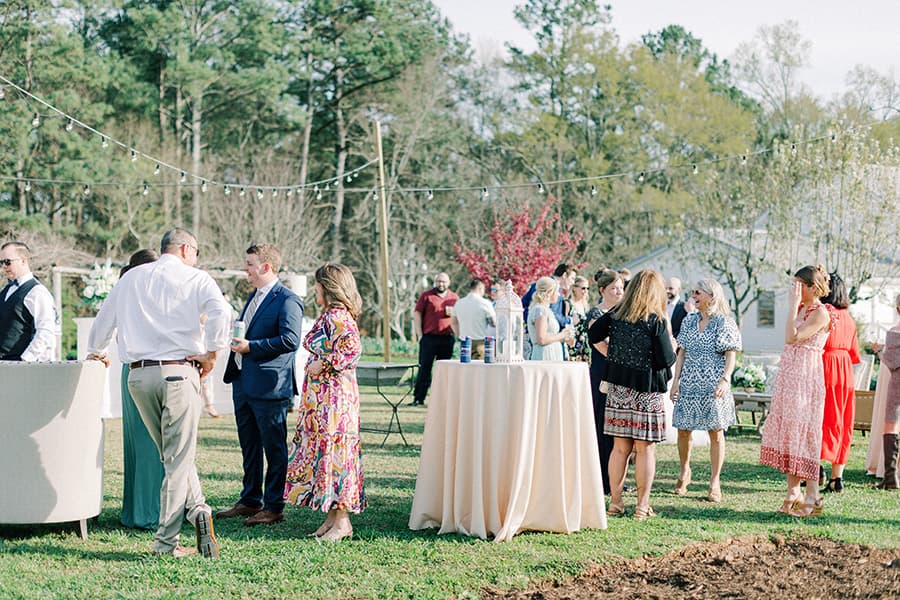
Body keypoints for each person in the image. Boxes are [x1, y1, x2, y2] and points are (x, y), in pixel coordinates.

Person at [87, 228, 230, 558]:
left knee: (170, 454)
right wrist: (212, 353)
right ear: (184, 249)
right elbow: (222, 312)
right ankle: (166, 544)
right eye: (195, 251)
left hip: (138, 377)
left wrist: (97, 350)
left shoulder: (131, 278)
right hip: (179, 373)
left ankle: (198, 511)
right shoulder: (196, 278)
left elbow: (103, 319)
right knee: (177, 459)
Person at [219, 244, 304, 526]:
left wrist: (251, 347)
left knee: (274, 448)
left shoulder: (287, 300)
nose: (246, 269)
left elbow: (290, 341)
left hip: (270, 386)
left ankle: (274, 506)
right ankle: (250, 500)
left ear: (266, 267)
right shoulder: (253, 297)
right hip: (243, 382)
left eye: (249, 264)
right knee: (249, 446)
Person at [284, 263, 366, 541]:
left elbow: (353, 350)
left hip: (334, 400)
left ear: (327, 287)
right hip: (325, 399)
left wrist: (326, 363)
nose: (314, 290)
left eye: (317, 285)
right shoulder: (332, 315)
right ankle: (331, 518)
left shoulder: (339, 317)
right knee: (327, 451)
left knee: (336, 452)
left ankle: (343, 522)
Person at [588, 269, 675, 520]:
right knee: (645, 450)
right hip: (646, 392)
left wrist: (614, 355)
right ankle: (642, 506)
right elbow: (666, 359)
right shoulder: (656, 320)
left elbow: (593, 334)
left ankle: (615, 503)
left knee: (619, 448)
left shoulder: (616, 315)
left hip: (618, 389)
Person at [759, 265, 832, 517]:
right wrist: (794, 307)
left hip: (806, 377)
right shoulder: (802, 308)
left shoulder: (821, 313)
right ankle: (793, 490)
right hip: (790, 376)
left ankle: (813, 495)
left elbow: (792, 337)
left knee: (805, 432)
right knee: (791, 431)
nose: (794, 289)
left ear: (812, 287)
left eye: (799, 284)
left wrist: (791, 306)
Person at [670, 279, 742, 503]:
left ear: (712, 295)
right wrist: (675, 381)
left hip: (713, 386)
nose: (693, 295)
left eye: (698, 292)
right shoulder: (689, 321)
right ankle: (684, 471)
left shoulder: (724, 322)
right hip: (689, 382)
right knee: (683, 430)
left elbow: (731, 354)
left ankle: (715, 481)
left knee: (716, 433)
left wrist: (725, 380)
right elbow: (681, 352)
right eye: (693, 292)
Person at [117, 249, 165, 530]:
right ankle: (150, 512)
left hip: (130, 370)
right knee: (150, 443)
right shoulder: (145, 298)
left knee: (139, 442)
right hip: (148, 368)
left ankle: (136, 510)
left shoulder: (125, 294)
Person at [819, 272, 861, 494]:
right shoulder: (849, 318)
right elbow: (855, 354)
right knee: (843, 422)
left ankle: (815, 468)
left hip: (824, 366)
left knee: (818, 418)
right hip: (845, 373)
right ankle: (837, 478)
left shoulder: (823, 313)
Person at [585, 269, 625, 495]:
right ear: (602, 291)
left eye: (620, 288)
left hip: (621, 375)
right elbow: (601, 346)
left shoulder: (623, 313)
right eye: (614, 289)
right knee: (602, 425)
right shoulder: (595, 314)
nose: (619, 292)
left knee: (618, 427)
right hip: (602, 374)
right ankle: (601, 478)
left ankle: (616, 478)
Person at [0, 241, 58, 361]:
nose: (4, 267)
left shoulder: (37, 292)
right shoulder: (6, 290)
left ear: (23, 260)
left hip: (18, 366)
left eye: (7, 262)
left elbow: (45, 330)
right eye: (1, 263)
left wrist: (26, 359)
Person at [410, 273, 458, 406]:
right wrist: (420, 335)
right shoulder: (426, 296)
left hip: (447, 339)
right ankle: (419, 398)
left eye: (443, 282)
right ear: (435, 282)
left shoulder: (454, 298)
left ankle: (442, 400)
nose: (441, 284)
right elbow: (417, 314)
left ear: (449, 282)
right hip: (429, 339)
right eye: (438, 281)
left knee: (444, 370)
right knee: (425, 368)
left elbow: (458, 318)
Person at [872, 292, 900, 490]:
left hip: (897, 384)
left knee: (891, 426)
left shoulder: (894, 332)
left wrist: (878, 350)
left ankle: (890, 478)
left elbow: (891, 362)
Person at [527, 277, 574, 361]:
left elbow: (550, 336)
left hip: (553, 355)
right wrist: (562, 335)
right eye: (557, 291)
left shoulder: (546, 310)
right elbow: (541, 339)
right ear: (549, 292)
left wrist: (565, 338)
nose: (559, 295)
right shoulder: (540, 310)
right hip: (545, 356)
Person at [450, 278, 496, 360]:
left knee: (465, 369)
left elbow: (453, 322)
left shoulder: (459, 303)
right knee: (479, 370)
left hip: (464, 341)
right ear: (480, 288)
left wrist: (459, 335)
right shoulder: (485, 303)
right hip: (480, 342)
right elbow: (493, 323)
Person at [566, 275, 591, 362]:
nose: (586, 291)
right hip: (572, 345)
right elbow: (565, 325)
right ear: (574, 288)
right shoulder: (568, 304)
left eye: (588, 288)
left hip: (584, 345)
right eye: (583, 288)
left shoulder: (585, 305)